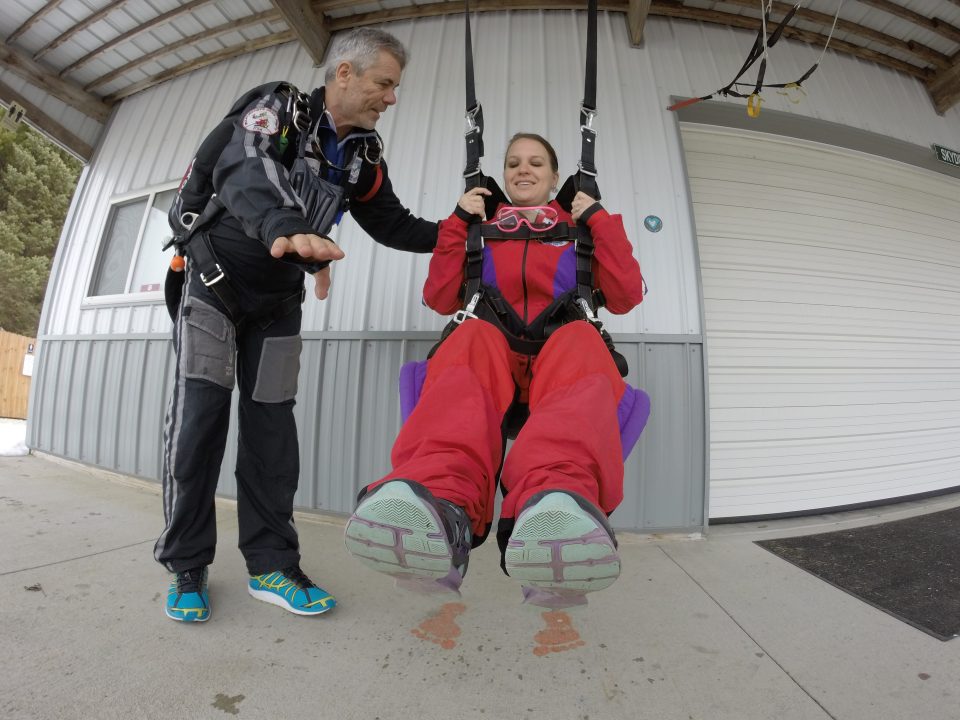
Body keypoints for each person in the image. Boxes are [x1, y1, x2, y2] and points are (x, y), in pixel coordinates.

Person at [156, 28, 439, 622]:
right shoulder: (279, 106)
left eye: (394, 88)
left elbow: (394, 224)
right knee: (199, 426)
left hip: (279, 302)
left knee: (272, 434)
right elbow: (243, 165)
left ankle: (272, 566)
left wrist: (465, 237)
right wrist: (287, 221)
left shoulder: (365, 154)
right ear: (344, 74)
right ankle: (187, 564)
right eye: (383, 83)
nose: (390, 98)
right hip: (211, 287)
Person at [344, 133, 649, 608]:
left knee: (581, 340)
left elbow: (627, 295)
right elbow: (440, 298)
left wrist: (598, 220)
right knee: (470, 337)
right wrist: (458, 221)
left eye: (535, 163)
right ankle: (441, 505)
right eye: (513, 164)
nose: (522, 171)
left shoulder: (581, 225)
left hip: (561, 356)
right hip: (489, 358)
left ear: (554, 176)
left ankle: (555, 508)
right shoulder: (478, 226)